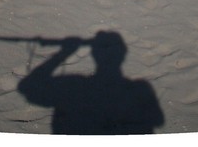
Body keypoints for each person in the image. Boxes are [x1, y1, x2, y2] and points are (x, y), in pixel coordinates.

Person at [15, 31, 164, 135]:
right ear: (123, 55)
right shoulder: (140, 89)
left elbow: (27, 87)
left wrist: (65, 52)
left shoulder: (74, 86)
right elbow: (158, 121)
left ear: (94, 55)